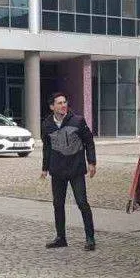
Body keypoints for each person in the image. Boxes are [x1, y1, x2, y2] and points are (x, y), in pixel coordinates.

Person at [40, 92, 97, 251]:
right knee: (58, 204)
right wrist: (44, 168)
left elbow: (89, 142)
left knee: (82, 203)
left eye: (64, 102)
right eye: (59, 103)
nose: (63, 105)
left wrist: (91, 162)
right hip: (57, 171)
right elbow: (47, 148)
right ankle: (61, 238)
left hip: (76, 169)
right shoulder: (46, 125)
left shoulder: (78, 121)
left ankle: (90, 238)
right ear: (52, 107)